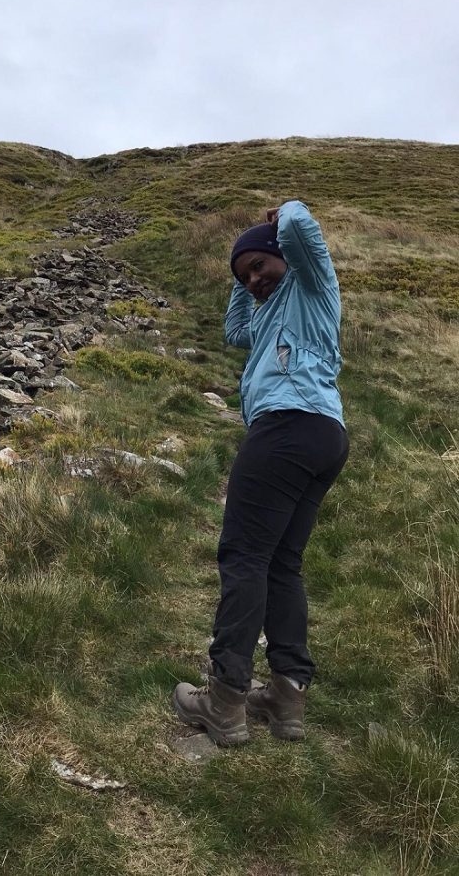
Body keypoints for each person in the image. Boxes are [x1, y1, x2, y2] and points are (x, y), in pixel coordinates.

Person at [172, 200, 349, 746]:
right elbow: (232, 331)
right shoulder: (269, 312)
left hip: (285, 430)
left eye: (260, 267)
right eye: (244, 273)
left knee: (244, 556)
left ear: (284, 260)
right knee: (281, 564)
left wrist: (281, 216)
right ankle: (287, 697)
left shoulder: (311, 288)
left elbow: (301, 230)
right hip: (323, 435)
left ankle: (224, 699)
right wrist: (240, 275)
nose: (254, 279)